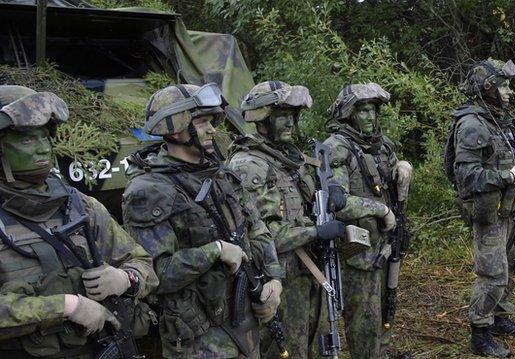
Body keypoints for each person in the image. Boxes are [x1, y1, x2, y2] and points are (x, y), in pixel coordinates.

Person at [122, 83, 285, 358]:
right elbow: (155, 274)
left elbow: (257, 229)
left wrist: (274, 280)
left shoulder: (221, 175)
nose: (212, 129)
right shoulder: (149, 191)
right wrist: (216, 251)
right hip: (198, 338)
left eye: (212, 121)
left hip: (245, 323)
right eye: (201, 122)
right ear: (175, 128)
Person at [0, 85, 159, 356]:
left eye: (46, 137)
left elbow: (143, 264)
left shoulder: (80, 204)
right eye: (27, 140)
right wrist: (67, 306)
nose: (43, 149)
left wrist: (125, 278)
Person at [228, 80, 354, 358]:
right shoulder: (250, 165)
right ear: (262, 120)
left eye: (292, 116)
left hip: (310, 270)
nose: (289, 123)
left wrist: (330, 188)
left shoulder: (290, 158)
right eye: (281, 116)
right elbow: (264, 233)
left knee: (321, 346)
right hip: (282, 278)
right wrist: (316, 233)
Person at [446, 59, 515, 358]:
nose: (509, 92)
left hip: (510, 209)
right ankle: (480, 333)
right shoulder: (472, 124)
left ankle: (500, 319)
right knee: (492, 274)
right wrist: (507, 177)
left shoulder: (498, 119)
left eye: (508, 86)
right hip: (489, 212)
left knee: (511, 264)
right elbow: (466, 177)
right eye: (503, 86)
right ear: (486, 89)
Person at [321, 82, 414, 359]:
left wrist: (403, 168)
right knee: (364, 315)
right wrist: (380, 210)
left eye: (373, 109)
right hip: (358, 248)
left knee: (387, 302)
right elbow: (337, 203)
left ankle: (380, 353)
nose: (369, 116)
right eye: (362, 110)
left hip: (386, 240)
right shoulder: (337, 148)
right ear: (349, 113)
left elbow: (390, 179)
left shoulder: (381, 145)